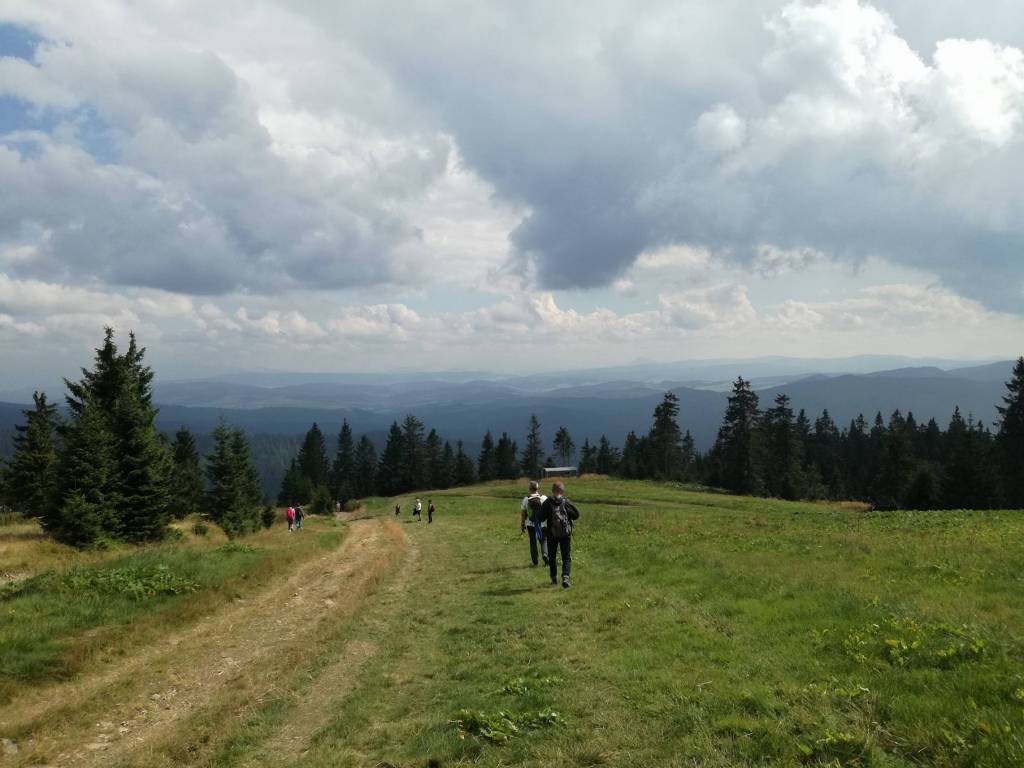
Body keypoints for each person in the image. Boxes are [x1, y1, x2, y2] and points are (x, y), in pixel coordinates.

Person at [541, 481, 579, 588]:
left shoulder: (548, 502)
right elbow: (576, 515)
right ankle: (566, 577)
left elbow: (541, 517)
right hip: (565, 533)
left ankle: (554, 579)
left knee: (552, 556)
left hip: (551, 533)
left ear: (552, 491)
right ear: (562, 491)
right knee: (566, 556)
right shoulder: (566, 502)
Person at [520, 480, 548, 567]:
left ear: (530, 488)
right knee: (543, 540)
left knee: (533, 542)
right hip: (542, 524)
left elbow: (523, 513)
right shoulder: (544, 498)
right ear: (537, 488)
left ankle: (535, 562)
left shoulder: (526, 499)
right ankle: (545, 554)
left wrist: (523, 523)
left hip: (530, 524)